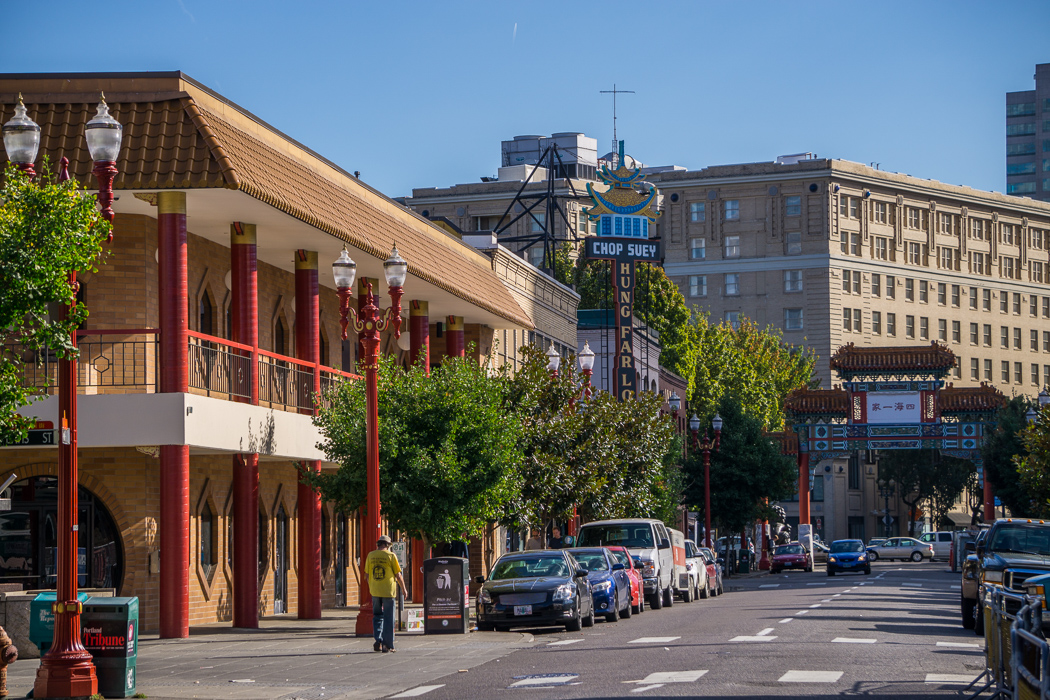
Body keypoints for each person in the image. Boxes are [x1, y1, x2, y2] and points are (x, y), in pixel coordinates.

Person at [366, 534, 406, 653]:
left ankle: (378, 640)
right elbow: (398, 575)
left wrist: (371, 586)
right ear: (388, 545)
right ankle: (387, 644)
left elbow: (367, 575)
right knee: (389, 617)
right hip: (388, 591)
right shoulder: (391, 556)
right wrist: (404, 589)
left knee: (377, 615)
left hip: (375, 590)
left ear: (378, 544)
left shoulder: (370, 555)